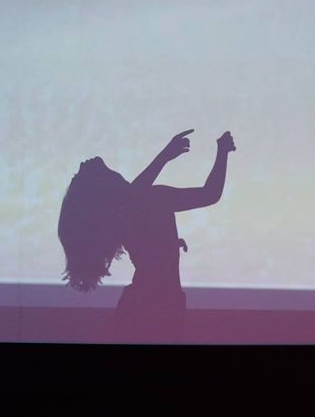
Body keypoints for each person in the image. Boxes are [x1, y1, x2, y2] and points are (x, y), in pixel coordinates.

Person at [57, 129, 235, 341]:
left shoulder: (130, 208)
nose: (84, 164)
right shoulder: (148, 200)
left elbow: (134, 197)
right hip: (156, 306)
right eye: (89, 171)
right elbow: (209, 194)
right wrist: (222, 151)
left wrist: (165, 156)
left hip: (147, 304)